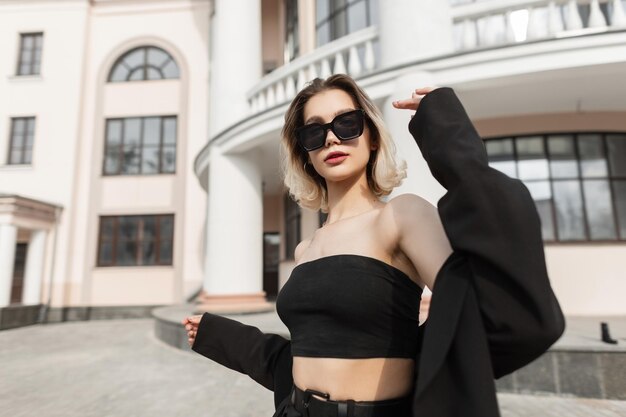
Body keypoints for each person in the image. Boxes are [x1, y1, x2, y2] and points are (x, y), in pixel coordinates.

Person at [183, 75, 565, 417]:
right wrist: (221, 336)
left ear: (372, 136)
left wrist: (448, 135)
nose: (331, 137)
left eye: (346, 123)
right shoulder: (305, 248)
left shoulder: (402, 216)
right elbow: (304, 355)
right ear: (306, 154)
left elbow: (495, 306)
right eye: (314, 132)